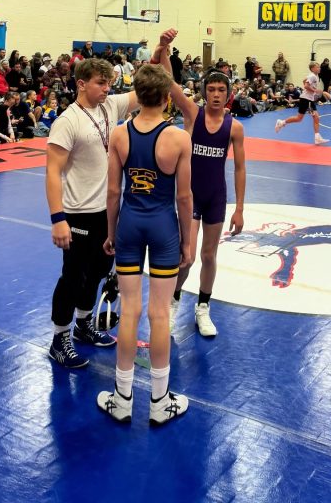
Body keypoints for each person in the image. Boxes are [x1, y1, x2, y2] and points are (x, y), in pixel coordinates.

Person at [97, 62, 192, 425]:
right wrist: (187, 241)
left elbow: (112, 191)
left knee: (130, 312)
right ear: (168, 98)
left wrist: (111, 232)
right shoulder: (178, 138)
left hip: (130, 226)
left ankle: (122, 399)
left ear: (137, 96)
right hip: (163, 227)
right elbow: (184, 198)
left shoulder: (119, 134)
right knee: (160, 314)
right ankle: (160, 401)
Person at [46, 58, 141, 369]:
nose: (107, 88)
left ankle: (83, 323)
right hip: (77, 213)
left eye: (109, 83)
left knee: (99, 271)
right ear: (81, 84)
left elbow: (149, 87)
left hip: (107, 212)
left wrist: (160, 54)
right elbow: (52, 172)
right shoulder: (67, 121)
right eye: (101, 83)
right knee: (73, 276)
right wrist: (58, 219)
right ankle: (59, 339)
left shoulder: (110, 106)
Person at [152, 30, 246, 337]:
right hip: (191, 196)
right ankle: (174, 300)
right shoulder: (193, 114)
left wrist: (239, 209)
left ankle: (203, 307)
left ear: (228, 94)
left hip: (216, 197)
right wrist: (164, 50)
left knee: (209, 256)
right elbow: (170, 83)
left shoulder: (235, 128)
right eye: (212, 89)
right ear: (205, 92)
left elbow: (240, 168)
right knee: (187, 256)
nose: (216, 94)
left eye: (221, 90)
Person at [275, 62, 330, 145]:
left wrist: (312, 91)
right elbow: (306, 86)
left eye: (319, 67)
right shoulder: (312, 76)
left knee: (300, 118)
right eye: (317, 67)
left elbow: (304, 81)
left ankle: (282, 122)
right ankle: (317, 137)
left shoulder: (314, 76)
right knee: (314, 117)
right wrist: (315, 91)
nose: (319, 68)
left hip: (308, 99)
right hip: (306, 99)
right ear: (312, 69)